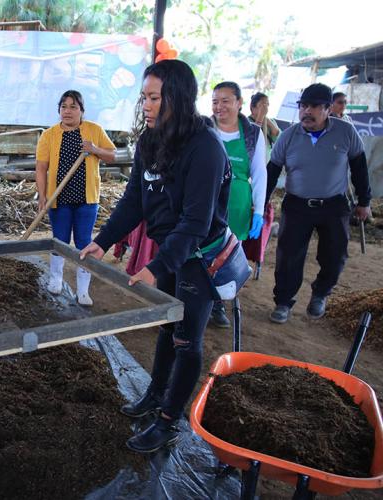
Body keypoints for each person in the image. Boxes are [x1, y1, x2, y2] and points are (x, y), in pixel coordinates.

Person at [80, 60, 231, 453]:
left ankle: (168, 421)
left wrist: (157, 265)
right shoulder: (150, 140)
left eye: (153, 97)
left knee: (186, 339)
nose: (145, 105)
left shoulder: (205, 148)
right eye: (143, 97)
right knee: (166, 325)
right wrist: (104, 238)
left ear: (176, 99)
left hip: (198, 255)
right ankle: (154, 395)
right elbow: (134, 202)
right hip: (169, 249)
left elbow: (197, 221)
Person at [266, 83, 371, 324]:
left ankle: (320, 294)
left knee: (335, 255)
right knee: (288, 256)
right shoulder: (289, 135)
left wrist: (364, 201)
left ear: (328, 108)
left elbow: (359, 168)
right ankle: (283, 302)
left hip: (334, 206)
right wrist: (262, 203)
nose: (306, 111)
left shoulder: (346, 132)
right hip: (296, 205)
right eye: (303, 106)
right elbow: (272, 171)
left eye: (313, 106)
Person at [35, 90, 116, 306]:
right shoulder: (49, 135)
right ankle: (56, 281)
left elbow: (112, 155)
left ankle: (83, 290)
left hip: (86, 200)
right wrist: (42, 196)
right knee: (59, 240)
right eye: (63, 106)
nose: (68, 111)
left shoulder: (93, 130)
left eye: (73, 106)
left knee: (83, 242)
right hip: (59, 198)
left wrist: (94, 149)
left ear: (82, 110)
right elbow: (42, 167)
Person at [208, 82, 267, 328]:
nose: (219, 106)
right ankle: (199, 301)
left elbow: (259, 172)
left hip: (237, 202)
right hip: (207, 198)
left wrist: (259, 210)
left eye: (225, 101)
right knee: (201, 250)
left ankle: (219, 305)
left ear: (239, 103)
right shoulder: (204, 127)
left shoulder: (253, 133)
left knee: (227, 256)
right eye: (215, 101)